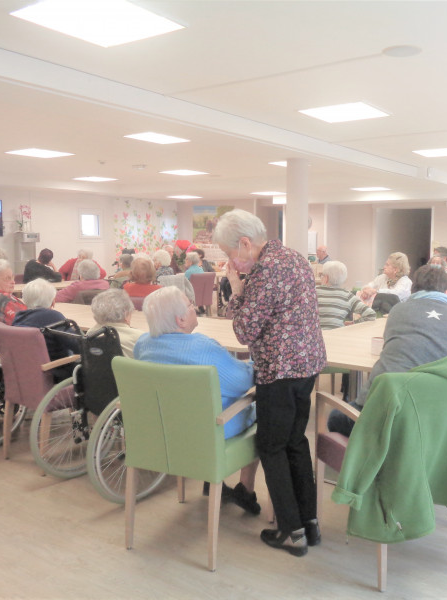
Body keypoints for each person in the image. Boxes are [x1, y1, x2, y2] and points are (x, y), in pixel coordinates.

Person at [213, 208, 326, 557]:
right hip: (306, 364)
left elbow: (245, 330)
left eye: (231, 254)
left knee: (272, 445)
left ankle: (290, 532)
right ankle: (309, 523)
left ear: (245, 243)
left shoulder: (265, 271)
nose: (232, 262)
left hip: (280, 368)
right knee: (295, 442)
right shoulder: (291, 258)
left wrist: (234, 290)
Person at [134, 286, 260, 515]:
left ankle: (210, 480)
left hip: (163, 430)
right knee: (260, 407)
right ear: (180, 319)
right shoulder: (203, 349)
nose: (196, 308)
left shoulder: (142, 345)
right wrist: (254, 358)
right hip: (206, 431)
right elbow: (245, 381)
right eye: (191, 305)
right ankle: (246, 490)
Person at [327, 265, 447, 437]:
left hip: (389, 413)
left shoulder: (398, 311)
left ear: (414, 290)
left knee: (335, 417)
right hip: (441, 420)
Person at [12, 278, 79, 380]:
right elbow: (76, 345)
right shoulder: (53, 317)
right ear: (52, 301)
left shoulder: (19, 316)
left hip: (27, 371)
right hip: (54, 371)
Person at [316, 261, 375, 329]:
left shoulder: (313, 292)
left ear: (326, 278)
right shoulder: (347, 296)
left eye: (321, 275)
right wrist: (354, 323)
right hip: (337, 335)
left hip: (315, 337)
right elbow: (371, 314)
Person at [88, 289, 144, 357]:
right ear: (126, 315)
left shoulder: (91, 333)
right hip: (125, 367)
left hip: (96, 367)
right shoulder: (139, 337)